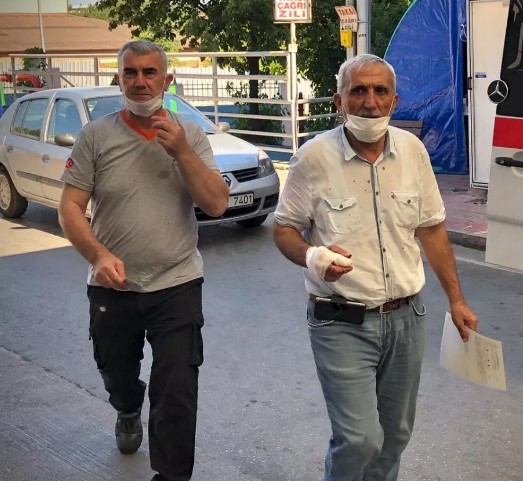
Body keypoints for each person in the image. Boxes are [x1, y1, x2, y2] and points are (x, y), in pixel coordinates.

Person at [273, 53, 478, 481]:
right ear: (339, 101)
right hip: (341, 319)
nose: (370, 102)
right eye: (359, 91)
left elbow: (432, 229)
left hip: (406, 318)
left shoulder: (413, 152)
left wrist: (457, 300)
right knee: (359, 439)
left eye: (380, 91)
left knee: (396, 435)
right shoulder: (313, 157)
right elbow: (285, 229)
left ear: (394, 100)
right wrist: (313, 257)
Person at [58, 39, 229, 481]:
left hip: (177, 281)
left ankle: (171, 475)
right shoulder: (96, 136)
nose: (140, 81)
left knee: (177, 387)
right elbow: (69, 208)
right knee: (116, 372)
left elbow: (216, 204)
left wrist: (183, 152)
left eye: (150, 72)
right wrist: (97, 255)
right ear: (118, 79)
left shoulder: (190, 135)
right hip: (112, 286)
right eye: (130, 72)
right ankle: (127, 406)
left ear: (167, 80)